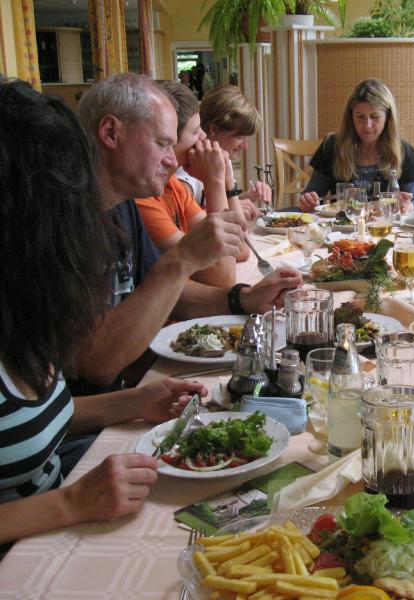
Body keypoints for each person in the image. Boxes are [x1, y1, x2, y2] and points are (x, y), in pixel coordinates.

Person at [0, 78, 208, 545]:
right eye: (63, 187)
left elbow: (28, 424)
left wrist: (132, 402)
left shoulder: (22, 301)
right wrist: (70, 503)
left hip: (65, 506)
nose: (82, 206)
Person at [74, 73, 302, 395]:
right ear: (110, 132)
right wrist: (182, 259)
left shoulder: (122, 207)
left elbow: (172, 296)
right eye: (161, 144)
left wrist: (244, 298)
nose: (172, 160)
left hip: (129, 392)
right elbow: (97, 364)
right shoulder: (63, 222)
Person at [136, 81, 240, 287]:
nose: (203, 137)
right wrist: (214, 181)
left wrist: (227, 182)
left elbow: (239, 248)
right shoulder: (143, 200)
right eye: (194, 132)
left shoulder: (173, 186)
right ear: (170, 137)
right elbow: (223, 276)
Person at [298, 79, 414, 214]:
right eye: (360, 117)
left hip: (385, 225)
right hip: (342, 226)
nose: (367, 125)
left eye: (374, 117)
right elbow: (312, 195)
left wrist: (409, 206)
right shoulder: (331, 146)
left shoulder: (404, 151)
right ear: (351, 116)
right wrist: (308, 203)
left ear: (388, 118)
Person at [176, 84, 270, 216]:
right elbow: (180, 219)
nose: (245, 146)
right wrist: (235, 209)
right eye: (239, 137)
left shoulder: (222, 158)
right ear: (214, 129)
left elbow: (219, 203)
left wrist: (248, 197)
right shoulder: (187, 171)